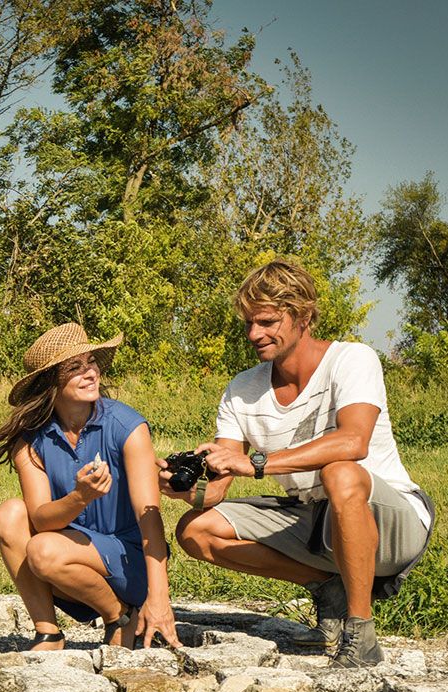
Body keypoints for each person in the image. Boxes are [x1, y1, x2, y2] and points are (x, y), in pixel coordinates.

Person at [169, 259, 433, 667]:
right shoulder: (241, 389)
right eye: (249, 323)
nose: (254, 334)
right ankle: (327, 587)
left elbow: (354, 441)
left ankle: (360, 633)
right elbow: (219, 486)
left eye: (268, 321)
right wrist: (183, 487)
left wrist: (256, 463)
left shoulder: (352, 359)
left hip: (390, 522)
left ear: (304, 316)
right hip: (315, 520)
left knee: (340, 470)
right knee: (196, 530)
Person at [0, 322, 179, 650]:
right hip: (68, 562)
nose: (90, 373)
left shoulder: (127, 426)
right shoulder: (30, 442)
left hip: (131, 561)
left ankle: (124, 616)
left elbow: (149, 516)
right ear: (49, 382)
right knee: (10, 513)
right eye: (74, 367)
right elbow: (41, 519)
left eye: (91, 363)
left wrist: (160, 597)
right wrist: (80, 497)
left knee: (43, 550)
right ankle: (51, 632)